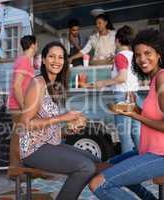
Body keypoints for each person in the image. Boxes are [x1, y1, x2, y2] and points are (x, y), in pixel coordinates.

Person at [89, 29, 164, 200]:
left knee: (98, 183)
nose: (142, 59)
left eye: (147, 53)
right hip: (151, 151)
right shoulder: (155, 79)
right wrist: (135, 109)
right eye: (137, 55)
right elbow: (157, 118)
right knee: (105, 167)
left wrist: (136, 115)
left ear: (159, 54)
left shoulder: (163, 77)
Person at [18, 41, 101, 200]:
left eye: (60, 57)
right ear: (43, 59)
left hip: (49, 145)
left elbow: (48, 126)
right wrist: (63, 117)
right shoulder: (38, 83)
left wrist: (67, 130)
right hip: (33, 150)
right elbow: (25, 123)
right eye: (52, 56)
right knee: (86, 167)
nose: (56, 61)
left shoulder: (55, 86)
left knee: (96, 161)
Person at [94, 25, 140, 153]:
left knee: (125, 136)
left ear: (117, 40)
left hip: (122, 97)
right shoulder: (134, 56)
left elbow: (122, 78)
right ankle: (142, 160)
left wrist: (103, 83)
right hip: (134, 96)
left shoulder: (120, 56)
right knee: (136, 133)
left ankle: (128, 166)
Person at [8, 35, 37, 166]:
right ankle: (15, 172)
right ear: (32, 45)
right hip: (18, 107)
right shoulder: (24, 61)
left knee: (23, 138)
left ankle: (21, 170)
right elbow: (17, 86)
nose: (37, 46)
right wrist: (24, 107)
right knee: (18, 139)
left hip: (21, 106)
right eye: (37, 44)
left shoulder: (26, 61)